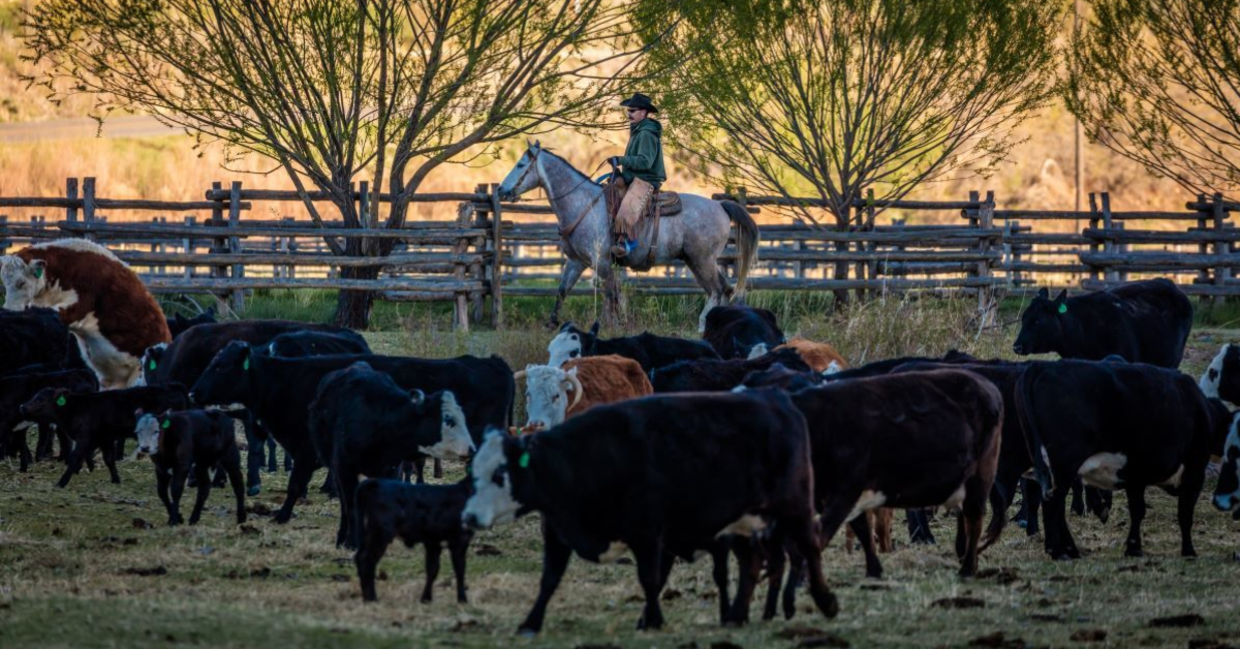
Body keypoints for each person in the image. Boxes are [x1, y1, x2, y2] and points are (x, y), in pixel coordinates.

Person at [607, 93, 666, 258]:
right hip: (635, 177)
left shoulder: (646, 134)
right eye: (628, 110)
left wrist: (620, 160)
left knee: (628, 206)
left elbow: (645, 162)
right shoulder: (639, 131)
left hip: (647, 180)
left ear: (643, 112)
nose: (629, 113)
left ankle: (626, 242)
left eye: (633, 110)